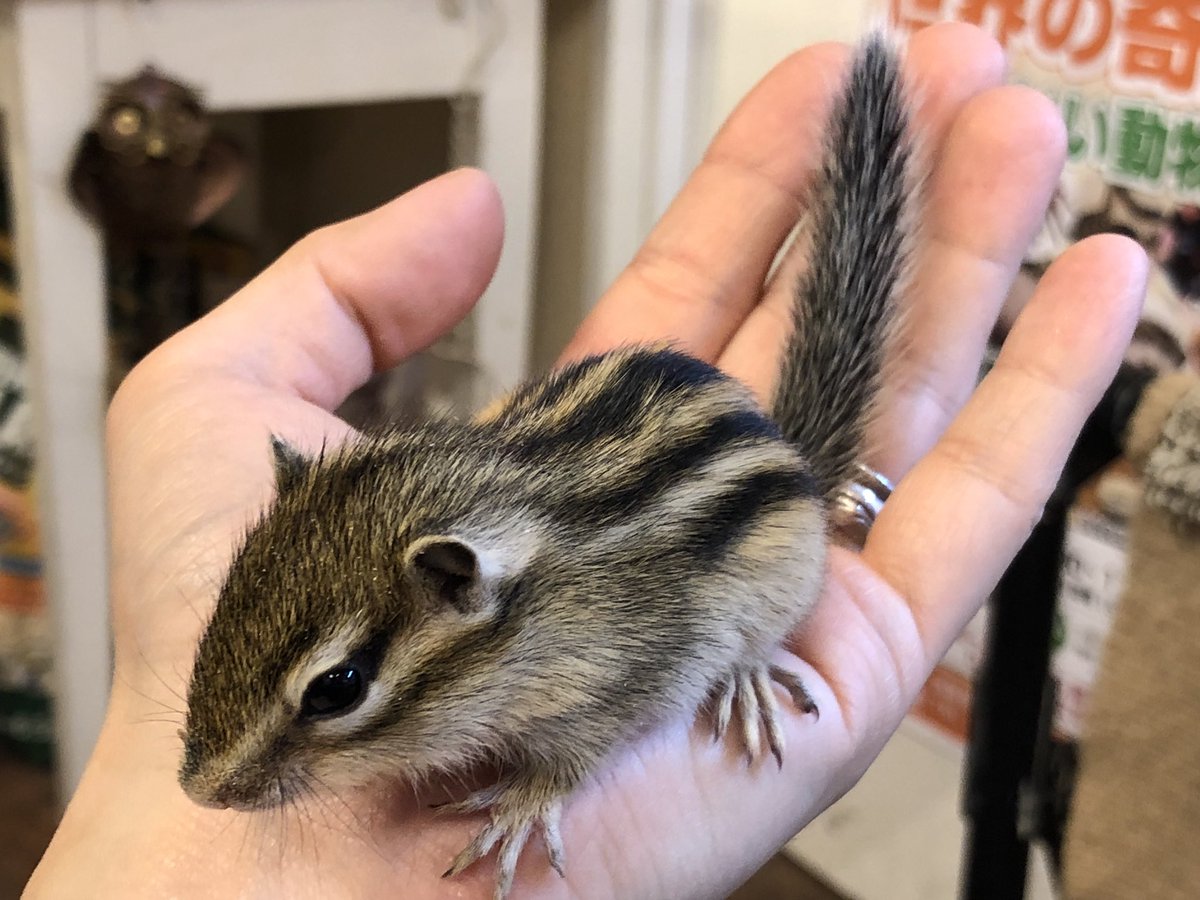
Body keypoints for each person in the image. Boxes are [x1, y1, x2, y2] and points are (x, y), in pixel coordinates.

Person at [26, 23, 1145, 899]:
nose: (220, 789)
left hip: (740, 511)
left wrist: (556, 779)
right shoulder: (443, 584)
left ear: (458, 588)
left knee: (750, 605)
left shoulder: (566, 631)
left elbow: (650, 674)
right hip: (623, 447)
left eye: (337, 696)